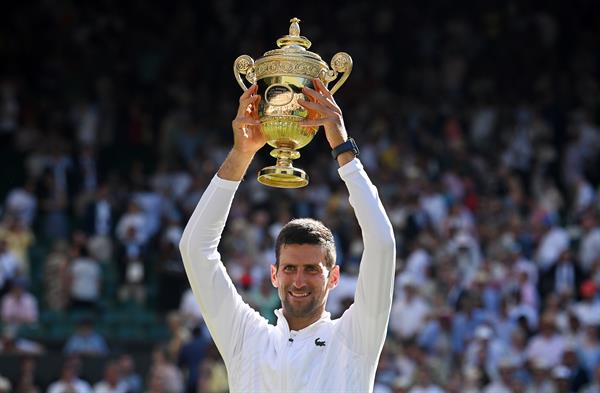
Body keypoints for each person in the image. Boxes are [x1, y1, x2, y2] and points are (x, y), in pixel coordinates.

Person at [179, 79, 396, 392]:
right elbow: (194, 247)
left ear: (334, 278)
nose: (298, 281)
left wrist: (343, 149)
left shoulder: (355, 339)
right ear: (274, 275)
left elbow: (382, 244)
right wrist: (241, 153)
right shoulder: (247, 338)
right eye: (290, 268)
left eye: (311, 270)